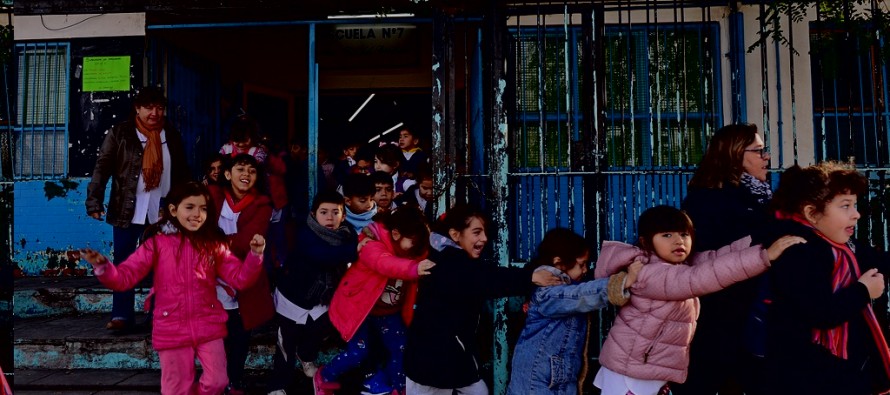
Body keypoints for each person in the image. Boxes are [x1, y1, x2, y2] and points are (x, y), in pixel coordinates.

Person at [591, 205, 804, 395]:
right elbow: (705, 276)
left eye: (684, 234)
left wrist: (758, 238)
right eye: (666, 235)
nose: (678, 241)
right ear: (646, 242)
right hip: (632, 371)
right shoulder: (649, 274)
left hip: (647, 369)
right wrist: (764, 256)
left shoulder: (676, 266)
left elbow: (715, 259)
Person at [80, 181, 266, 395]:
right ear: (173, 210)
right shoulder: (157, 244)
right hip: (171, 327)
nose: (197, 214)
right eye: (190, 207)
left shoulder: (214, 245)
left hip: (209, 324)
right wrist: (103, 266)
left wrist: (255, 255)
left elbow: (240, 279)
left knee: (217, 381)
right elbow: (124, 278)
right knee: (176, 389)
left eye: (203, 208)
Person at [404, 204, 562, 394]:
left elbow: (483, 276)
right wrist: (530, 277)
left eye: (485, 232)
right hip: (432, 360)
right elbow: (485, 279)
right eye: (477, 232)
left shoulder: (451, 257)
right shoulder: (449, 263)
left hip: (448, 357)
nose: (484, 238)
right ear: (455, 235)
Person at [764, 162, 890, 395]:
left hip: (837, 370)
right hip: (810, 374)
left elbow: (877, 260)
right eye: (845, 206)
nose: (856, 214)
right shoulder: (799, 249)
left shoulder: (839, 245)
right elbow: (819, 312)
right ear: (811, 213)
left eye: (854, 204)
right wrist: (863, 291)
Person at [674, 123, 774, 395]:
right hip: (720, 318)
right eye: (759, 151)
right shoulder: (707, 201)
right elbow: (702, 258)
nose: (766, 158)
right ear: (734, 155)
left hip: (752, 317)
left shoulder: (760, 197)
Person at [85, 86, 190, 332]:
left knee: (163, 265)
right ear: (138, 109)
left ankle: (158, 314)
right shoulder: (120, 133)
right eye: (149, 108)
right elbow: (103, 168)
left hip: (162, 211)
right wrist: (94, 201)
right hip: (127, 209)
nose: (155, 113)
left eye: (159, 108)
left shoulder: (171, 135)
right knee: (124, 263)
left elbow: (182, 173)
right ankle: (122, 315)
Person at [507, 228, 641, 395]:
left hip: (554, 383)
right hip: (537, 385)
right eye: (581, 264)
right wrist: (622, 282)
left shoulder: (564, 287)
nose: (585, 270)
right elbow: (581, 295)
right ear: (558, 262)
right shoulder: (547, 292)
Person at [316, 207, 435, 395]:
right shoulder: (371, 245)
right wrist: (414, 267)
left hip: (389, 312)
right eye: (415, 242)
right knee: (358, 353)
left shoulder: (415, 251)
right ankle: (325, 376)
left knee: (401, 348)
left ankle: (398, 385)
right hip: (358, 310)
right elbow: (385, 263)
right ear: (395, 234)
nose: (420, 248)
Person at [267, 190, 358, 394]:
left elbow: (348, 251)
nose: (330, 217)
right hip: (292, 298)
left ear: (343, 216)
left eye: (336, 212)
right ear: (313, 214)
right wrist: (357, 249)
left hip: (321, 299)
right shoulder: (306, 234)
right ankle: (278, 386)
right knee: (285, 345)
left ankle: (306, 357)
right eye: (324, 212)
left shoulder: (347, 234)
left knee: (322, 328)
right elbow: (324, 255)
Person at [207, 153, 274, 395]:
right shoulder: (211, 196)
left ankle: (234, 380)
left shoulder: (263, 204)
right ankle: (215, 379)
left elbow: (247, 242)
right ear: (227, 174)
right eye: (240, 169)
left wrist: (215, 243)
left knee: (239, 334)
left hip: (244, 278)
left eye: (252, 171)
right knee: (212, 334)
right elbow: (199, 228)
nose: (246, 174)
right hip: (209, 276)